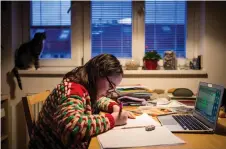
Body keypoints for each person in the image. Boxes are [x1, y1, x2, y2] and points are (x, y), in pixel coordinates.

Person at [29, 54, 135, 149]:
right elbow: (72, 127)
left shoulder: (88, 87)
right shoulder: (73, 89)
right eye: (110, 86)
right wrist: (112, 119)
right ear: (99, 73)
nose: (109, 92)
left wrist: (114, 107)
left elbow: (99, 100)